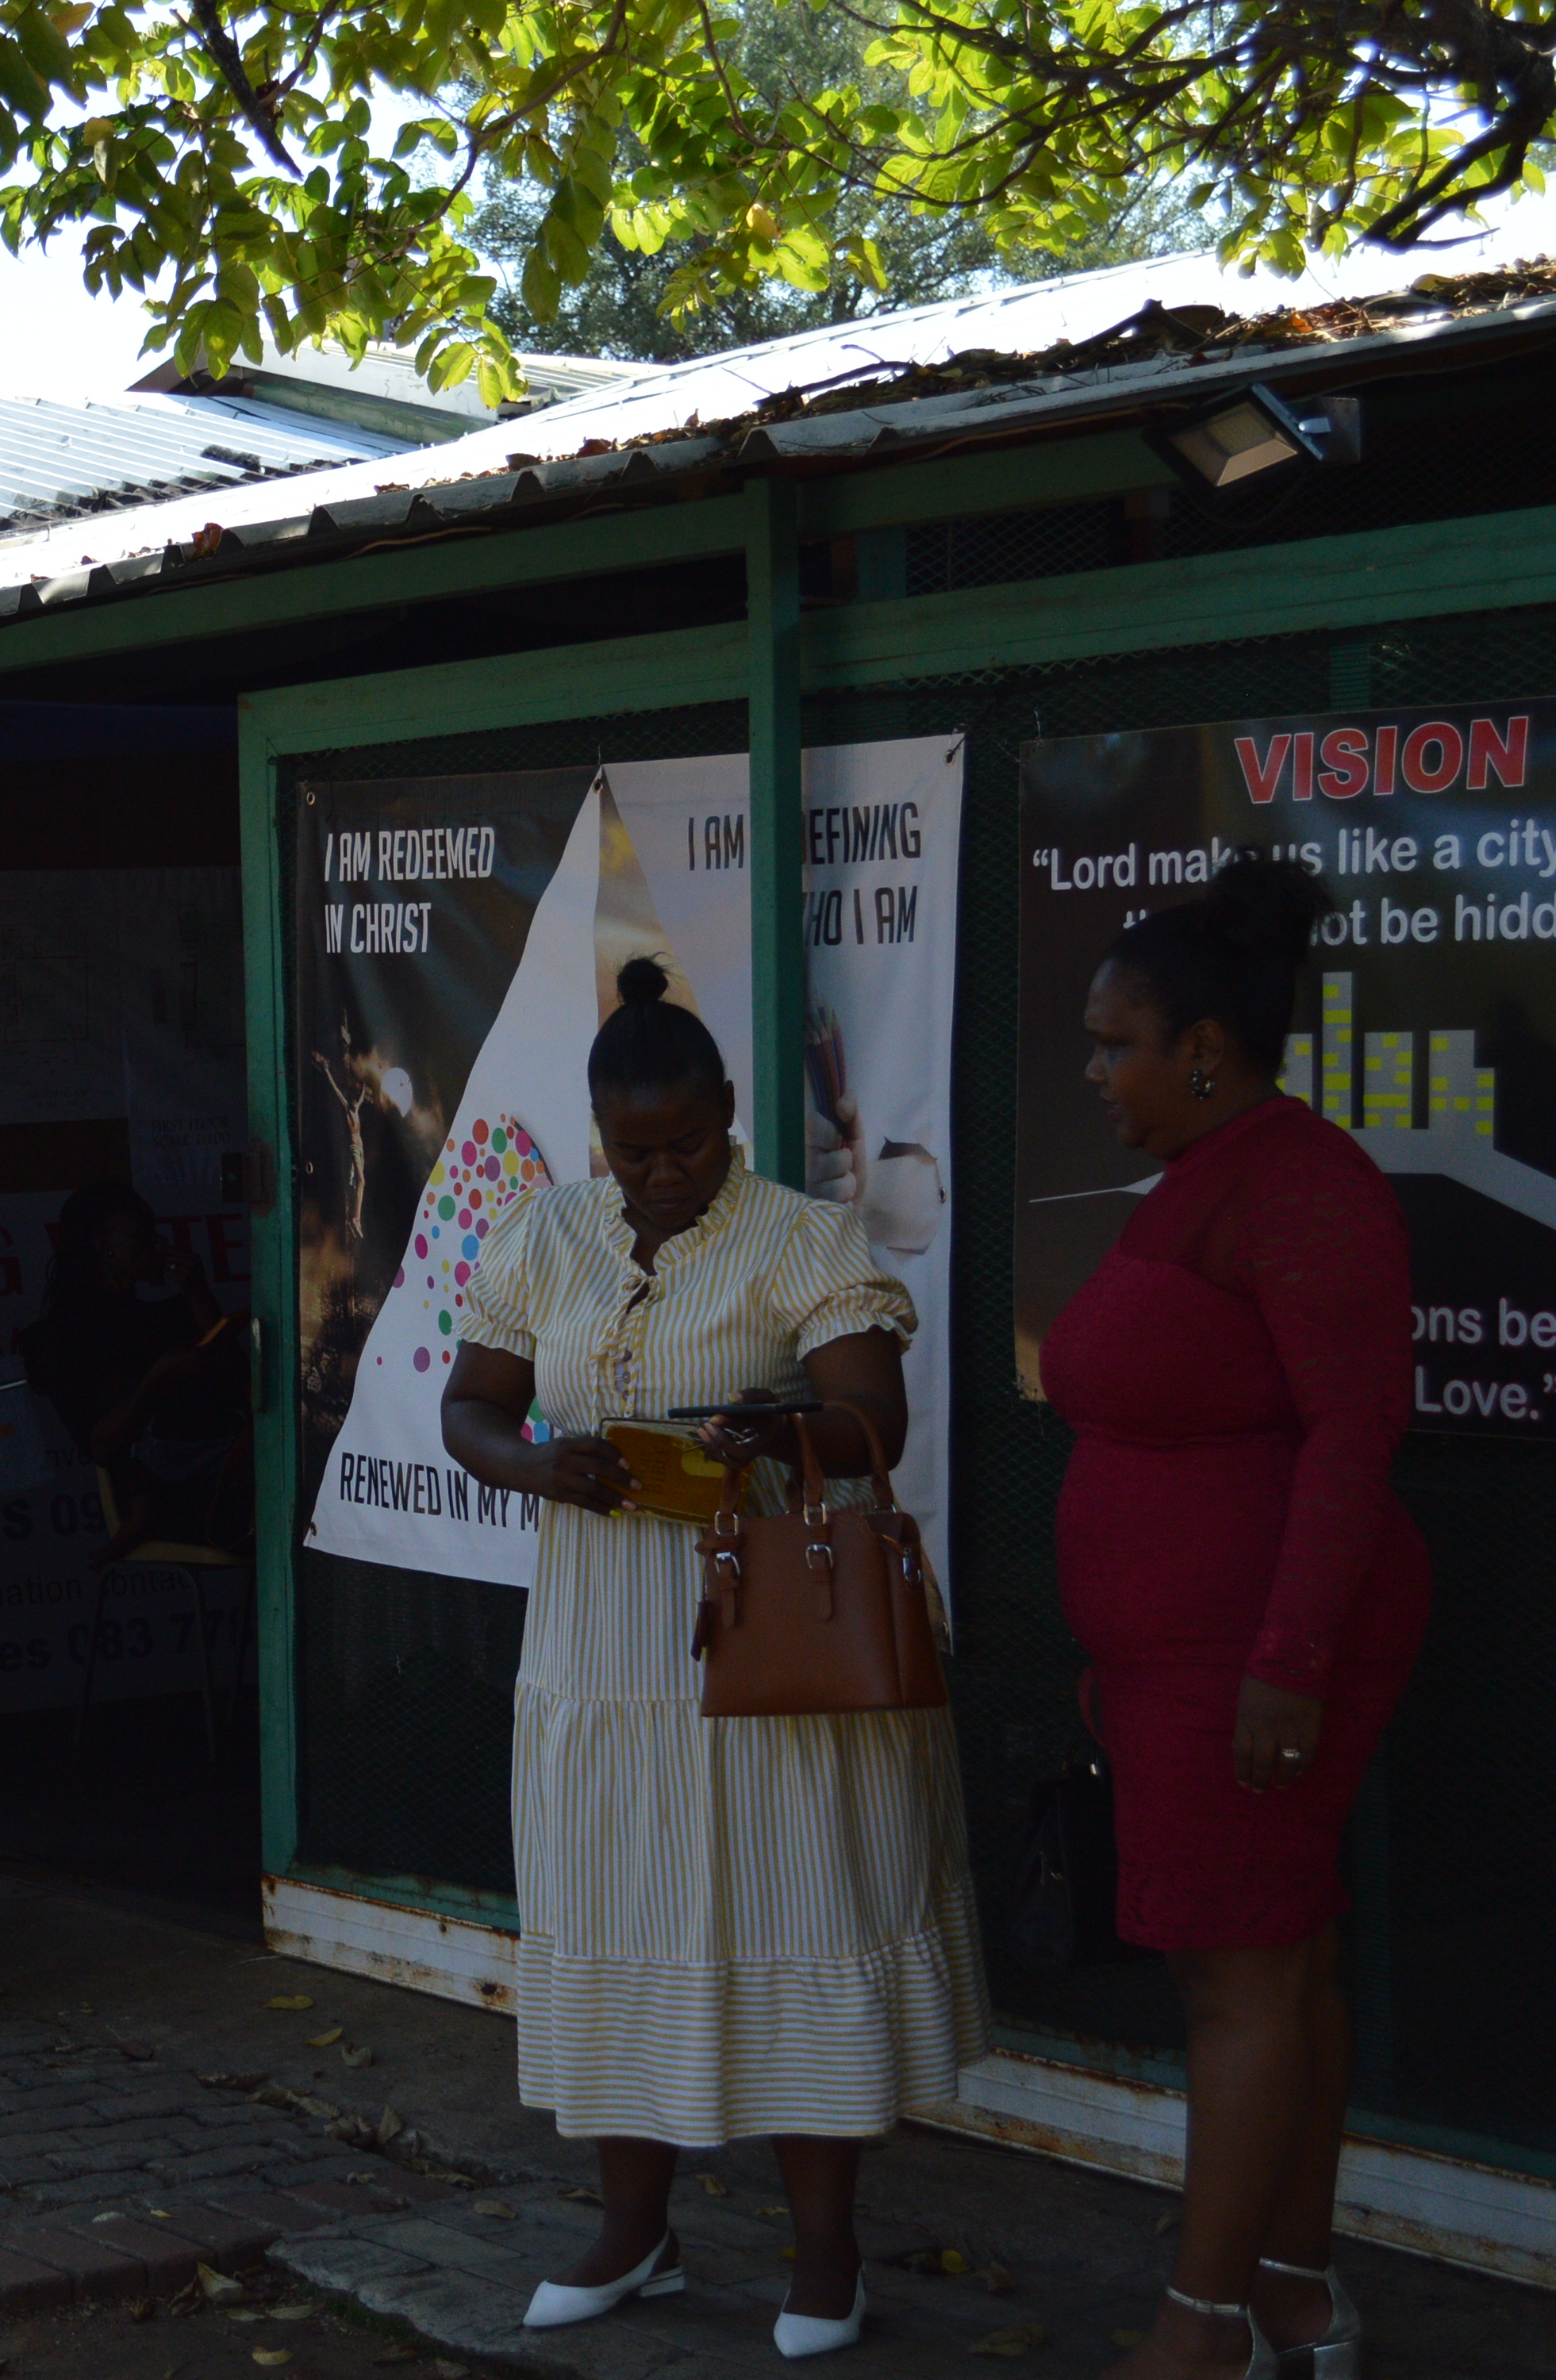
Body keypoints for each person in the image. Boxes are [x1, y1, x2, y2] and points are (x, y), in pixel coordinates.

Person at [437, 958, 984, 2363]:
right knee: (615, 1913)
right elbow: (471, 1406)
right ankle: (636, 2234)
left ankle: (824, 2255)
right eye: (634, 1150)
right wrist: (535, 1465)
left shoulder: (802, 1238)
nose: (662, 1171)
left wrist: (773, 1435)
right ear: (597, 1135)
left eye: (685, 1143)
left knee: (789, 1915)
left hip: (767, 1658)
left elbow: (875, 1422)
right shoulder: (546, 1234)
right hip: (596, 1657)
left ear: (729, 1114)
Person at [1043, 858, 1425, 2380]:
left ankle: (1202, 2333)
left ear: (1202, 1046)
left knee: (1245, 1978)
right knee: (1280, 1960)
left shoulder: (1304, 1186)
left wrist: (1285, 1664)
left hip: (1258, 1657)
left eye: (1111, 1042)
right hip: (1181, 1663)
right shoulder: (1205, 1181)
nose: (1091, 1071)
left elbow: (1351, 1438)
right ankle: (1291, 2294)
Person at [19, 1180, 251, 1559]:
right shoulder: (61, 1339)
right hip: (178, 1497)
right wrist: (157, 1380)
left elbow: (247, 1389)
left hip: (224, 1477)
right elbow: (102, 1444)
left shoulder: (166, 1314)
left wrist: (198, 1296)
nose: (159, 1244)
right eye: (144, 1235)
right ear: (105, 1248)